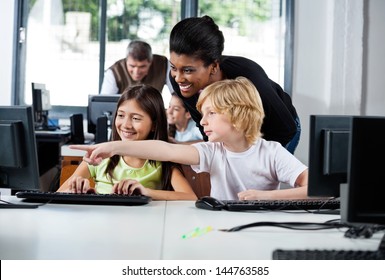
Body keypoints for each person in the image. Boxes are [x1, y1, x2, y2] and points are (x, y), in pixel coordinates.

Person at [71, 77, 308, 201]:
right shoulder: (212, 151)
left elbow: (318, 189)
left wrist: (264, 197)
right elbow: (165, 150)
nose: (202, 122)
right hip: (219, 230)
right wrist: (111, 147)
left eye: (211, 114)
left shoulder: (273, 152)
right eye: (202, 115)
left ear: (238, 115)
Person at [168, 15, 301, 154]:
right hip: (237, 134)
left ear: (213, 67)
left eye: (188, 70)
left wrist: (253, 160)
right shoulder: (183, 83)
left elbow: (285, 129)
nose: (178, 78)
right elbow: (205, 127)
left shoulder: (249, 76)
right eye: (173, 67)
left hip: (278, 129)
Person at [58, 84, 197, 201]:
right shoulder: (98, 156)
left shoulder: (163, 161)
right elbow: (58, 194)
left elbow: (190, 197)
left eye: (136, 118)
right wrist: (76, 190)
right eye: (121, 115)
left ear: (154, 125)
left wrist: (146, 192)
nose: (126, 125)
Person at [100, 40, 173, 94]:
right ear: (126, 60)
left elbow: (177, 94)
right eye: (132, 66)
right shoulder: (113, 72)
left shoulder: (163, 65)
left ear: (150, 62)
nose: (136, 72)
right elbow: (105, 103)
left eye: (142, 67)